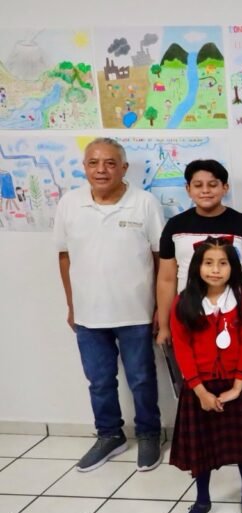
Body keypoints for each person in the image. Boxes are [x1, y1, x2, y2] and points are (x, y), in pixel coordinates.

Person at [54, 137, 164, 472]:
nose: (101, 170)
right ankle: (109, 435)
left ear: (124, 167)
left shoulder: (144, 203)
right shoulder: (70, 204)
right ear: (85, 167)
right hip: (88, 314)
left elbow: (160, 258)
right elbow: (64, 256)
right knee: (99, 381)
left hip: (136, 312)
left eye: (110, 163)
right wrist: (72, 305)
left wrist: (160, 308)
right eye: (94, 163)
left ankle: (149, 434)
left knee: (142, 379)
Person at [169, 237, 242, 513]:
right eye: (208, 263)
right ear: (197, 267)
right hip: (200, 387)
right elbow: (182, 349)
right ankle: (202, 500)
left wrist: (238, 385)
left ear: (233, 267)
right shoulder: (184, 302)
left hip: (236, 383)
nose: (215, 269)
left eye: (223, 263)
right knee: (203, 448)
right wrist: (199, 391)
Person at [156, 159, 242, 349]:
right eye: (198, 185)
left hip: (239, 318)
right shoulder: (175, 226)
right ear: (188, 189)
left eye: (212, 185)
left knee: (240, 366)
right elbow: (166, 279)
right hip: (190, 317)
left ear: (225, 187)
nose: (205, 190)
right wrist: (164, 326)